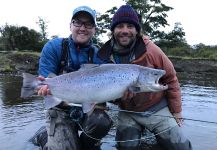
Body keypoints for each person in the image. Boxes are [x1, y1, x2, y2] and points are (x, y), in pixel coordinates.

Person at [97, 5, 193, 150]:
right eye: (120, 26)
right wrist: (119, 98)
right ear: (113, 30)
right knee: (126, 147)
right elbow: (105, 91)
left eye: (130, 26)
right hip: (127, 111)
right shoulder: (104, 55)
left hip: (156, 108)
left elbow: (171, 79)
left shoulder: (152, 50)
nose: (124, 30)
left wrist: (177, 111)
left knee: (181, 147)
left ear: (137, 30)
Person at [31, 6, 112, 150]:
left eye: (88, 24)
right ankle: (44, 137)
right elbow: (44, 80)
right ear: (70, 26)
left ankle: (87, 145)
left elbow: (113, 84)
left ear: (94, 29)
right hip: (60, 109)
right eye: (78, 22)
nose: (82, 28)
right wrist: (42, 87)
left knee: (102, 123)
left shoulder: (100, 55)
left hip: (90, 109)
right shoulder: (53, 47)